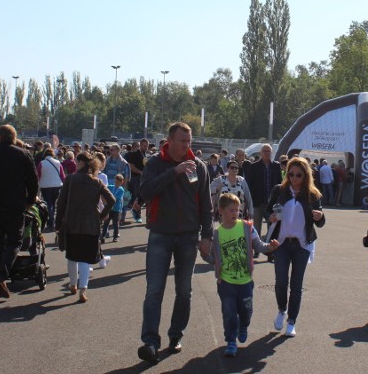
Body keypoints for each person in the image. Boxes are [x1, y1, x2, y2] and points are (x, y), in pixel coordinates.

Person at [137, 123, 212, 364]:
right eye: (183, 141)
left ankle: (175, 335)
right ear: (169, 140)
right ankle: (150, 341)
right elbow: (146, 191)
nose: (187, 146)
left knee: (184, 291)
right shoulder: (155, 164)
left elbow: (206, 205)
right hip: (160, 233)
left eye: (189, 141)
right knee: (154, 290)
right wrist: (175, 172)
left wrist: (207, 235)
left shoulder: (199, 167)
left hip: (188, 236)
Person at [203, 193, 279, 357]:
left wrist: (270, 248)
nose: (235, 213)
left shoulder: (246, 227)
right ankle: (231, 341)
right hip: (226, 282)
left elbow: (258, 245)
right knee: (229, 311)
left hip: (245, 281)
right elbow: (212, 259)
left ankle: (243, 326)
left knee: (246, 311)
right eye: (231, 210)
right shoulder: (217, 234)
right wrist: (203, 254)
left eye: (237, 210)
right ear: (221, 211)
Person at [265, 156, 326, 338]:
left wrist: (319, 216)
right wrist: (271, 217)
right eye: (290, 174)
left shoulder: (313, 195)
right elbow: (269, 210)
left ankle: (291, 321)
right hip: (281, 243)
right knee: (281, 282)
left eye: (298, 175)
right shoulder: (279, 190)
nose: (294, 178)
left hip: (302, 245)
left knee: (296, 285)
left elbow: (321, 221)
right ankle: (281, 309)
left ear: (305, 175)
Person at [0, 125, 39, 299]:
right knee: (15, 241)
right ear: (14, 137)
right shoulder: (23, 154)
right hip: (15, 204)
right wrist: (30, 200)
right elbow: (33, 181)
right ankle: (1, 275)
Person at [56, 151, 115, 303]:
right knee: (85, 259)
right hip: (91, 224)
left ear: (81, 163)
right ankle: (83, 290)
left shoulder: (70, 179)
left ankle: (72, 284)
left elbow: (61, 203)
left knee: (72, 257)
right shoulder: (96, 182)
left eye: (77, 161)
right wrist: (101, 216)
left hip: (72, 223)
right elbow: (111, 200)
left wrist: (57, 223)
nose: (75, 163)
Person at [243, 143, 282, 240]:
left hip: (272, 203)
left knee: (272, 226)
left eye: (269, 151)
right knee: (256, 227)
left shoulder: (276, 166)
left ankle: (270, 248)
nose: (267, 153)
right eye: (264, 151)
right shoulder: (254, 166)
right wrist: (251, 201)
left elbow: (280, 183)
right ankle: (256, 248)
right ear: (260, 153)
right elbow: (249, 184)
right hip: (258, 202)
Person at [36, 147, 65, 230]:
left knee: (48, 204)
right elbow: (62, 175)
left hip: (45, 186)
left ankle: (50, 221)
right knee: (53, 204)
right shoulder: (58, 163)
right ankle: (52, 221)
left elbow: (38, 175)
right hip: (57, 186)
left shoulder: (42, 163)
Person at [101, 174, 126, 243]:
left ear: (121, 182)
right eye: (115, 182)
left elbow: (116, 198)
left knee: (115, 224)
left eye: (118, 182)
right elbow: (105, 187)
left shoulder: (121, 190)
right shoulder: (111, 187)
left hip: (117, 209)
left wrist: (109, 198)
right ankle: (103, 236)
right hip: (110, 209)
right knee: (106, 223)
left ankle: (115, 237)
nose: (116, 183)